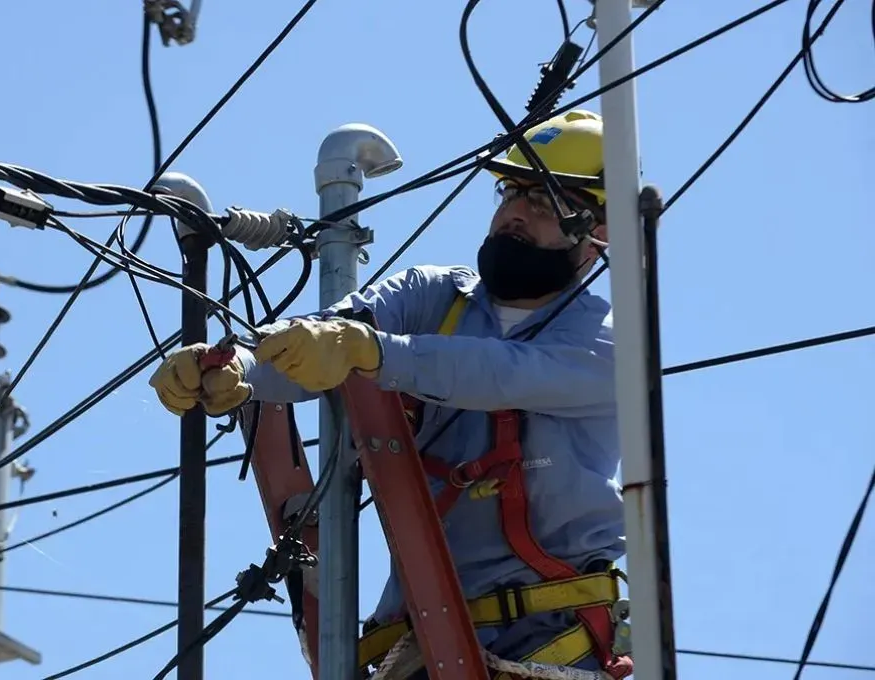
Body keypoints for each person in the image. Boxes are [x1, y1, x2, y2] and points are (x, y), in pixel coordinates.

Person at [148, 110, 631, 679]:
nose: (515, 214)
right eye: (511, 192)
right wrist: (234, 370)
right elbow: (319, 344)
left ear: (597, 231)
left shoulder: (608, 344)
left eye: (544, 202)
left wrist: (371, 352)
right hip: (424, 648)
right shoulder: (433, 296)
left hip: (557, 645)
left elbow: (497, 372)